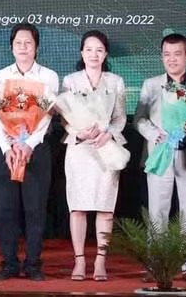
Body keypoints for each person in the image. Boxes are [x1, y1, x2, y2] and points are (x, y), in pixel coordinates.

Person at [134, 33, 186, 284]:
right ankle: (155, 264)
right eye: (167, 54)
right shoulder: (151, 85)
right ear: (162, 57)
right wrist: (153, 134)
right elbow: (138, 119)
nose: (172, 59)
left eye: (177, 54)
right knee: (157, 211)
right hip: (160, 155)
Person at [0, 23, 58, 281]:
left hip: (36, 151)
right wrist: (8, 147)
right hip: (6, 152)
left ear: (36, 47)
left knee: (35, 210)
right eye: (18, 43)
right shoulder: (1, 75)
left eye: (28, 43)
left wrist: (29, 144)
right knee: (6, 210)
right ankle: (8, 263)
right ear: (11, 47)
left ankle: (33, 264)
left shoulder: (48, 76)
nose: (23, 47)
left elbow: (46, 117)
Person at [60, 30, 126, 281]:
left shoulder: (115, 81)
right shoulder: (71, 80)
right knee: (77, 208)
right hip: (79, 150)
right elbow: (64, 119)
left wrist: (108, 133)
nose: (94, 54)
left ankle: (100, 261)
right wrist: (80, 132)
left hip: (105, 149)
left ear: (105, 53)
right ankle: (79, 261)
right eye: (89, 49)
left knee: (105, 209)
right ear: (82, 53)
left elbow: (120, 117)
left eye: (99, 50)